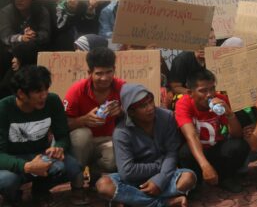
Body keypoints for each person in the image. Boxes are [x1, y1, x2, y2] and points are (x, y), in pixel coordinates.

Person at [96, 84, 196, 207]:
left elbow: (172, 152)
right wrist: (159, 165)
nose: (150, 108)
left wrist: (161, 180)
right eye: (143, 106)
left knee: (188, 178)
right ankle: (165, 202)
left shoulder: (167, 117)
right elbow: (127, 172)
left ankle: (133, 200)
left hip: (165, 174)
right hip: (134, 179)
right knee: (103, 185)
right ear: (131, 112)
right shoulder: (121, 132)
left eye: (151, 102)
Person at [0, 66, 82, 206]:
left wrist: (59, 147)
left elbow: (62, 136)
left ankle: (40, 191)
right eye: (38, 92)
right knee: (7, 180)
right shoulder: (4, 108)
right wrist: (26, 166)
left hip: (41, 154)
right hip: (12, 159)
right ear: (21, 94)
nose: (44, 95)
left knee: (72, 167)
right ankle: (12, 197)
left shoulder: (53, 101)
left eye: (46, 89)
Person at [175, 69, 248, 194]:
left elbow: (236, 135)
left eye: (212, 89)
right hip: (197, 151)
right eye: (203, 90)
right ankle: (196, 182)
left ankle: (225, 178)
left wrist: (230, 114)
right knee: (185, 152)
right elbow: (191, 136)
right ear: (190, 93)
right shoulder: (183, 104)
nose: (209, 94)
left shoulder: (220, 100)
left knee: (239, 146)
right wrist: (205, 166)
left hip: (215, 147)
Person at [64, 47, 123, 201]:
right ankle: (77, 187)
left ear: (114, 70)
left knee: (114, 157)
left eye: (108, 72)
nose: (104, 78)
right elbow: (62, 125)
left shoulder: (122, 87)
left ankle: (94, 179)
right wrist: (83, 120)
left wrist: (122, 113)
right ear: (89, 73)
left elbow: (138, 116)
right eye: (99, 73)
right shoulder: (76, 90)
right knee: (82, 134)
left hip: (107, 139)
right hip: (81, 143)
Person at [0, 0, 51, 79]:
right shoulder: (6, 12)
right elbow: (4, 36)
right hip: (8, 50)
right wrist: (21, 38)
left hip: (32, 49)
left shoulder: (42, 11)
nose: (19, 0)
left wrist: (34, 35)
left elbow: (45, 33)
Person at [167, 30, 218, 96]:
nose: (215, 41)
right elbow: (175, 87)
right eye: (211, 38)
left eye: (215, 38)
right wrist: (195, 94)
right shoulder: (182, 59)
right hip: (188, 96)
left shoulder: (216, 58)